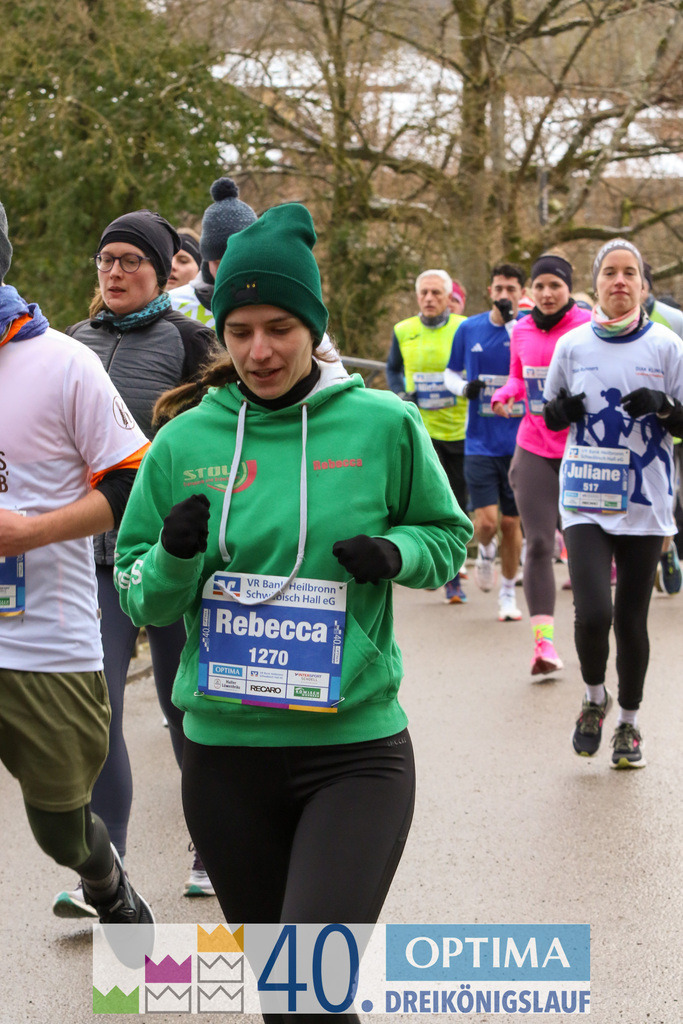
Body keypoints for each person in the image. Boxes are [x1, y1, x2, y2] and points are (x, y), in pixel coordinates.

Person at [114, 203, 473, 1023]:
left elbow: (447, 537)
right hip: (224, 762)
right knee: (288, 1001)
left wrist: (397, 555)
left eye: (279, 327)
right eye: (238, 331)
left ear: (315, 326)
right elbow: (140, 593)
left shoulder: (383, 424)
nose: (259, 351)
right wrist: (172, 557)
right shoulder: (182, 443)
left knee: (311, 991)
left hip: (352, 755)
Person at [55, 209, 218, 915]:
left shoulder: (190, 341)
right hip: (93, 558)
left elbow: (228, 432)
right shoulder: (69, 344)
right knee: (101, 713)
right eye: (105, 261)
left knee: (189, 711)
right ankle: (108, 872)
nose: (114, 273)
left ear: (159, 269)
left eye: (130, 261)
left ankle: (212, 846)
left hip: (174, 557)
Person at [0, 200, 153, 932]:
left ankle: (105, 879)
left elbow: (130, 483)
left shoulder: (61, 361)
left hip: (41, 644)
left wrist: (30, 532)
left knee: (59, 828)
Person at [543, 238, 683, 768]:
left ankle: (628, 722)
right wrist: (562, 409)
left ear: (644, 286)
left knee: (630, 619)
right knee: (592, 613)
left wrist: (666, 407)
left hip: (645, 503)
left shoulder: (668, 347)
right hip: (585, 499)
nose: (620, 281)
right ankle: (593, 697)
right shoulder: (573, 346)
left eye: (630, 273)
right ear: (596, 284)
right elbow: (549, 414)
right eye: (610, 273)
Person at [491, 253, 591, 675]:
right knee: (539, 544)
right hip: (533, 446)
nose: (547, 294)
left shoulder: (588, 326)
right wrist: (505, 394)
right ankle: (543, 646)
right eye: (541, 286)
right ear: (531, 291)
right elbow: (518, 376)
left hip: (582, 449)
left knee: (585, 548)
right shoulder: (523, 330)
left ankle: (593, 630)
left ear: (569, 288)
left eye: (556, 285)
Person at [445, 263, 526, 621]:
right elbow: (449, 373)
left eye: (511, 289)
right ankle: (486, 549)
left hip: (520, 442)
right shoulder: (468, 328)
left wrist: (513, 323)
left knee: (512, 524)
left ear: (522, 294)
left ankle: (507, 595)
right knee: (489, 523)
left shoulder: (525, 329)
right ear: (490, 291)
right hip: (478, 440)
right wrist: (464, 388)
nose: (504, 295)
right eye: (499, 288)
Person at [386, 268, 469, 603]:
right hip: (421, 431)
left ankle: (451, 566)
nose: (430, 299)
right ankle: (449, 579)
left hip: (460, 429)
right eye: (425, 293)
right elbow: (392, 367)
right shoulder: (403, 329)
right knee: (424, 503)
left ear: (449, 297)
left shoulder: (463, 328)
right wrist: (400, 394)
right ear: (417, 296)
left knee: (457, 505)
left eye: (437, 293)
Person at [641, 262, 683, 594]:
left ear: (647, 285)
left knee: (668, 498)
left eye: (632, 276)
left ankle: (667, 553)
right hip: (635, 432)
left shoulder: (674, 320)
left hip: (675, 428)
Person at [167, 178, 257, 329]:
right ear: (207, 260)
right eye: (220, 262)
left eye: (240, 261)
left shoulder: (273, 300)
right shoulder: (171, 305)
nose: (230, 271)